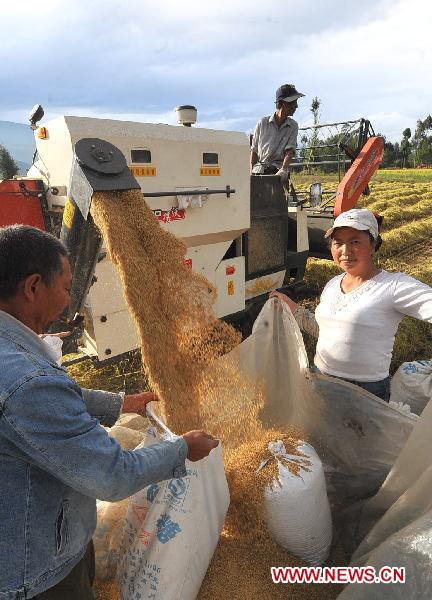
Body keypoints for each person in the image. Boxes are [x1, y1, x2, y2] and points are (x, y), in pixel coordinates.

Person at [0, 225, 218, 599]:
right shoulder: (28, 380)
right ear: (33, 287)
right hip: (35, 570)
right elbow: (112, 476)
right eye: (66, 289)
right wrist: (182, 449)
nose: (69, 302)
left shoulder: (13, 355)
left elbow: (50, 400)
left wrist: (119, 403)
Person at [270, 208, 432, 401]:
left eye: (355, 241)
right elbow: (327, 332)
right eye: (337, 243)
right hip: (321, 379)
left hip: (364, 392)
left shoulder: (393, 286)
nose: (345, 251)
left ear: (373, 246)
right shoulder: (332, 284)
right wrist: (293, 309)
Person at [250, 83, 305, 184]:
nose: (296, 106)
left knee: (278, 198)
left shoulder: (293, 126)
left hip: (278, 172)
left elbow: (289, 150)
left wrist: (283, 169)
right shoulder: (263, 123)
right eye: (294, 102)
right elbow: (254, 151)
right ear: (284, 103)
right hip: (259, 172)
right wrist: (250, 174)